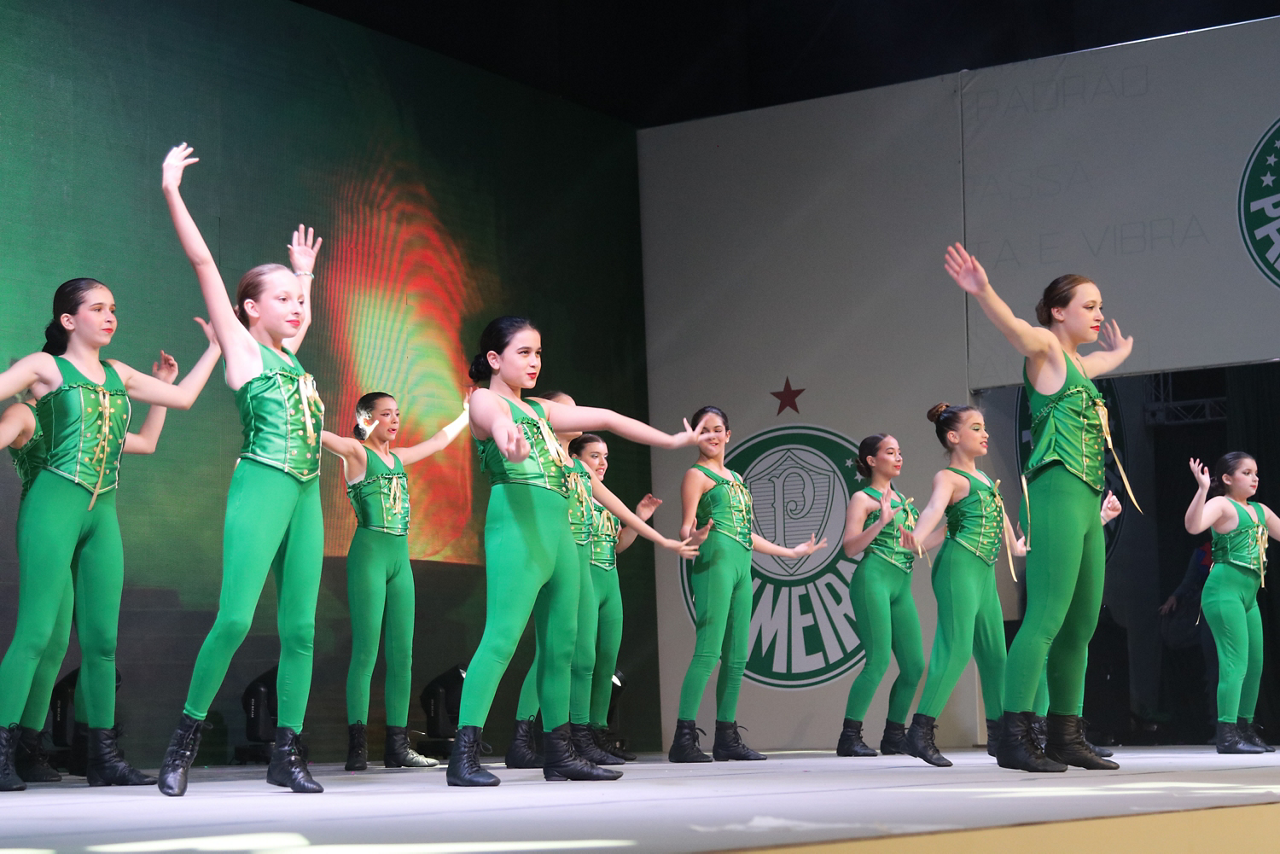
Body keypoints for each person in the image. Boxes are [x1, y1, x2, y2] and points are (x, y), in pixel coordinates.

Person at [449, 317, 703, 787]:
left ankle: (559, 752)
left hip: (561, 533)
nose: (534, 362)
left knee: (562, 646)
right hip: (518, 524)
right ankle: (463, 756)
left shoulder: (542, 410)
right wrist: (510, 444)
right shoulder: (485, 399)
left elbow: (606, 418)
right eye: (524, 352)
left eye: (538, 353)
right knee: (501, 639)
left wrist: (672, 441)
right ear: (494, 359)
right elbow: (498, 423)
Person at [0, 280, 219, 793]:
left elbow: (184, 399)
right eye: (97, 308)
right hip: (52, 508)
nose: (109, 316)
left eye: (113, 308)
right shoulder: (45, 367)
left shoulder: (120, 374)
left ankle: (102, 757)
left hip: (103, 514)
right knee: (36, 636)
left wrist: (215, 346)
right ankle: (5, 750)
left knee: (102, 642)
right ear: (68, 320)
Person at [158, 143, 328, 796]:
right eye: (281, 298)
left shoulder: (291, 357)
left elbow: (303, 317)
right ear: (250, 309)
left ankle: (287, 752)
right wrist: (172, 191)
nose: (294, 306)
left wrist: (304, 275)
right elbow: (204, 262)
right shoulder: (242, 350)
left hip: (307, 494)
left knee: (301, 629)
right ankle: (183, 742)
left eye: (296, 299)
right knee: (234, 620)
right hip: (261, 483)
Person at [944, 242, 1135, 773]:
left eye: (1100, 306)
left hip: (1087, 500)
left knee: (1081, 625)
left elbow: (1101, 361)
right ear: (1057, 311)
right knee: (1045, 618)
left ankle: (1065, 736)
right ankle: (1013, 736)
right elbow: (1014, 329)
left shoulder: (1078, 364)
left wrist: (1121, 352)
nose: (1098, 314)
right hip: (1055, 493)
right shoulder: (1046, 350)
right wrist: (983, 289)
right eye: (1089, 306)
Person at [505, 404, 700, 771]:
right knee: (557, 657)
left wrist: (641, 520)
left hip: (607, 579)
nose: (602, 462)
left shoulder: (597, 495)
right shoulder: (561, 481)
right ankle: (530, 735)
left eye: (605, 456)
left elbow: (617, 545)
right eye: (595, 455)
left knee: (599, 662)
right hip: (577, 575)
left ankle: (592, 734)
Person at [319, 392, 470, 771]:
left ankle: (397, 747)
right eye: (386, 414)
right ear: (366, 419)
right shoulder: (356, 453)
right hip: (368, 557)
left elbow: (438, 442)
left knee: (403, 655)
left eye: (397, 414)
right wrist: (300, 413)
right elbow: (323, 437)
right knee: (366, 652)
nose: (395, 420)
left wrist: (466, 415)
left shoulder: (398, 458)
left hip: (400, 561)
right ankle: (357, 748)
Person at [671, 405, 827, 764]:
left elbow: (745, 533)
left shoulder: (737, 478)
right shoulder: (695, 475)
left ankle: (726, 737)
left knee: (738, 655)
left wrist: (790, 552)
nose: (711, 435)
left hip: (742, 565)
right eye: (703, 430)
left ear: (728, 434)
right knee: (708, 652)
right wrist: (694, 535)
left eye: (717, 429)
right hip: (715, 562)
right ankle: (683, 738)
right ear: (695, 436)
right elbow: (685, 527)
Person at [898, 403, 1024, 766]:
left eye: (984, 427)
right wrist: (918, 534)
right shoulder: (948, 477)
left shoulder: (983, 478)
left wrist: (1017, 546)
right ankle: (919, 731)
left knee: (995, 656)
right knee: (955, 649)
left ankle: (1000, 737)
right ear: (953, 437)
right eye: (976, 427)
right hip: (958, 567)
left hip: (983, 572)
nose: (985, 434)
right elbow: (933, 510)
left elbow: (1001, 521)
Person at [836, 433, 931, 759]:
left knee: (914, 666)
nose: (898, 457)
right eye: (890, 452)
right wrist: (880, 523)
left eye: (899, 451)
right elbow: (849, 548)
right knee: (877, 661)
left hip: (901, 585)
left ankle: (894, 736)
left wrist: (950, 530)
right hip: (872, 580)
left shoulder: (902, 500)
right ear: (872, 461)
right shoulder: (862, 499)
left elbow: (916, 547)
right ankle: (849, 737)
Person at [1184, 453, 1278, 753]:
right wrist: (1202, 489)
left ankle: (1245, 728)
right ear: (1227, 478)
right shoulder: (1222, 504)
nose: (1254, 478)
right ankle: (1226, 734)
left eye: (1256, 472)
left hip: (1249, 597)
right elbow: (1193, 526)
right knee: (1234, 663)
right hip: (1223, 592)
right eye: (1246, 472)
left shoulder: (1260, 510)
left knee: (1255, 665)